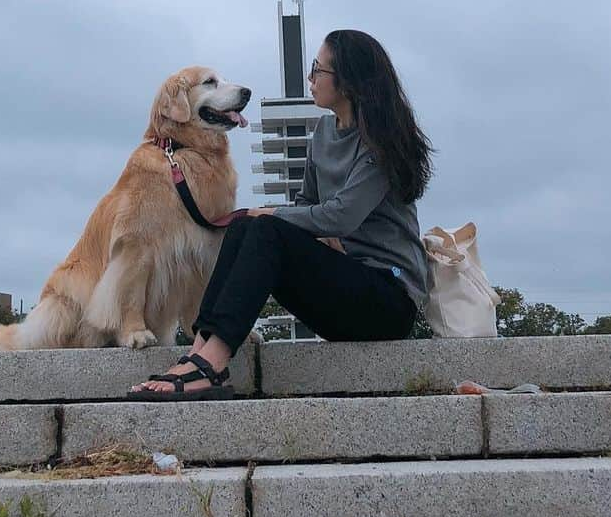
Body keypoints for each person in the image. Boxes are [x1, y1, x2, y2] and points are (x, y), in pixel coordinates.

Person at [128, 28, 432, 399]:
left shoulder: (380, 143)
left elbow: (340, 217)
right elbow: (307, 204)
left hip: (387, 300)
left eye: (318, 70)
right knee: (245, 228)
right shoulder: (324, 131)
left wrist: (276, 215)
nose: (310, 78)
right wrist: (275, 219)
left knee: (265, 226)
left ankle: (213, 365)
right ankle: (199, 352)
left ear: (348, 81)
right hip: (342, 285)